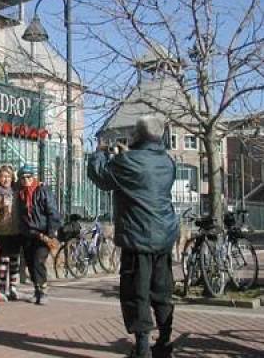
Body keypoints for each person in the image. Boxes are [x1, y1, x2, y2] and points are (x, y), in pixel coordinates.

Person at [87, 116, 178, 358]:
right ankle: (165, 342)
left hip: (139, 236)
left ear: (137, 135)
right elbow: (144, 178)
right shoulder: (168, 162)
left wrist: (100, 152)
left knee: (136, 292)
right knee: (161, 290)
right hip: (164, 235)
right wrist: (125, 156)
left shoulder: (128, 161)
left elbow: (101, 177)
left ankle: (141, 348)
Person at [16, 165, 61, 305]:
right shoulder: (20, 194)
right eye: (22, 178)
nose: (26, 180)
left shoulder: (42, 191)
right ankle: (36, 290)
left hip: (43, 234)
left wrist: (51, 233)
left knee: (38, 261)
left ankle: (43, 291)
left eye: (28, 177)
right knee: (30, 262)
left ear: (33, 177)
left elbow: (52, 212)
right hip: (28, 234)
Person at [0, 165, 23, 300]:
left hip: (15, 230)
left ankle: (13, 287)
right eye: (3, 176)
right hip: (1, 230)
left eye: (8, 176)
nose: (6, 179)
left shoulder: (16, 191)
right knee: (4, 259)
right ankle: (2, 286)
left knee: (15, 258)